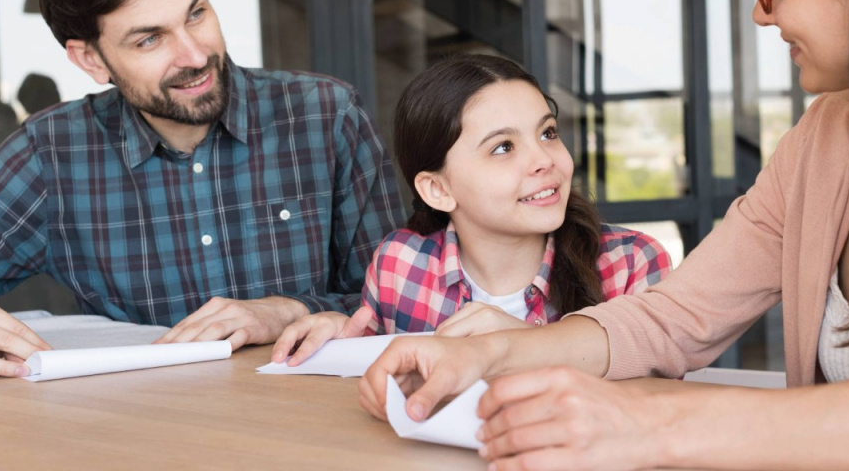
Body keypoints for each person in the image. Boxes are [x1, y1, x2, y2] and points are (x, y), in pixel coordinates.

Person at [358, 0, 849, 468]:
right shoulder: (822, 140)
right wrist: (491, 350)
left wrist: (655, 420)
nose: (760, 12)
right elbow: (675, 316)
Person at [0, 0, 403, 380]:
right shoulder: (50, 156)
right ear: (91, 61)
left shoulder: (325, 116)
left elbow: (403, 302)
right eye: (149, 40)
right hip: (145, 440)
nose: (195, 54)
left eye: (197, 13)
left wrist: (288, 311)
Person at [270, 55, 672, 365]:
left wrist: (524, 348)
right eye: (503, 147)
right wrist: (341, 340)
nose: (544, 160)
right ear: (438, 189)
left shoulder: (631, 264)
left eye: (547, 133)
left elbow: (661, 398)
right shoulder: (399, 265)